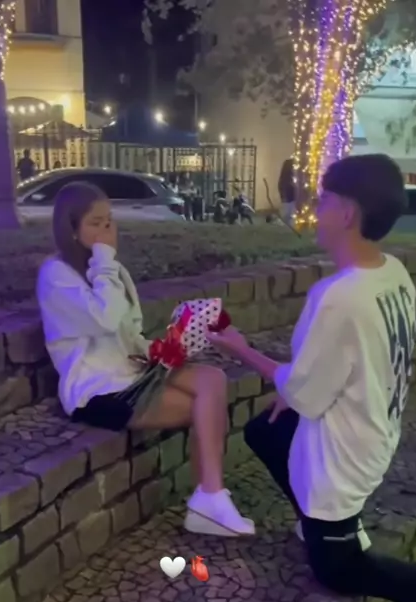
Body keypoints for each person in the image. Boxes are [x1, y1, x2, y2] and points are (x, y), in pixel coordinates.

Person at [206, 153, 416, 602]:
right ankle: (316, 522)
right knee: (265, 429)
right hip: (374, 429)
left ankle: (334, 527)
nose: (316, 209)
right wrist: (294, 392)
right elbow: (346, 366)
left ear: (347, 213)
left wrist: (240, 349)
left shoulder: (337, 298)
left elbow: (304, 395)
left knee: (339, 571)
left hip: (345, 458)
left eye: (324, 200)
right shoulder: (392, 272)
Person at [36, 181, 254, 537]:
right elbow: (105, 319)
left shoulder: (112, 271)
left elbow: (128, 329)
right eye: (95, 223)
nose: (107, 230)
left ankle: (210, 497)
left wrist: (157, 349)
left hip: (131, 368)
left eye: (109, 221)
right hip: (97, 389)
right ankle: (209, 501)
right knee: (203, 408)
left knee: (213, 380)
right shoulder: (56, 275)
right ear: (71, 230)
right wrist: (104, 260)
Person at [278, 157, 295, 224]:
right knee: (288, 213)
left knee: (287, 213)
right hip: (289, 198)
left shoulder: (284, 178)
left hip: (288, 198)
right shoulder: (288, 178)